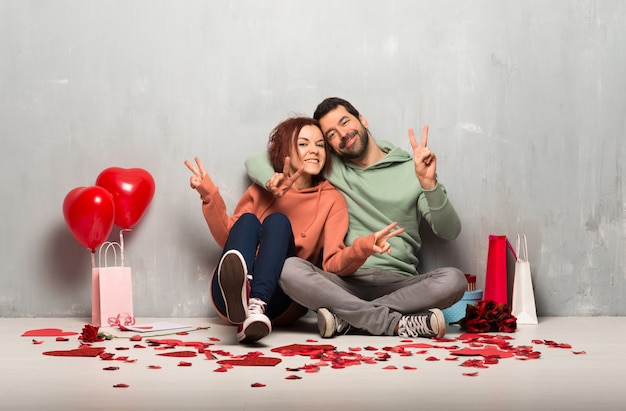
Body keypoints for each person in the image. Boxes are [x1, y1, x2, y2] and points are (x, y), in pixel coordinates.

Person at [245, 97, 467, 339]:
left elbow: (449, 230)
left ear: (362, 119)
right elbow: (256, 160)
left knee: (454, 280)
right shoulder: (330, 167)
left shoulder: (413, 168)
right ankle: (390, 322)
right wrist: (271, 180)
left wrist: (428, 183)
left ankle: (349, 320)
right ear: (329, 145)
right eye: (331, 134)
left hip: (401, 284)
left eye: (345, 122)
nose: (342, 134)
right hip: (343, 282)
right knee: (289, 269)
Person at [185, 116, 401, 343]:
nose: (314, 150)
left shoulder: (332, 200)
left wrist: (363, 248)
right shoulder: (263, 189)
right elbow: (229, 238)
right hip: (228, 300)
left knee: (278, 221)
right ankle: (243, 300)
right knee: (247, 221)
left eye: (320, 145)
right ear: (286, 150)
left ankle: (255, 305)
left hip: (279, 301)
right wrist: (208, 194)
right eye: (304, 143)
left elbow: (332, 263)